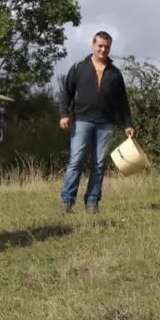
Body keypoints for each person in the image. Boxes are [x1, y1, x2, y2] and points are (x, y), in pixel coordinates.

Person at [58, 30, 135, 214]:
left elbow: (122, 102)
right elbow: (66, 92)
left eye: (106, 47)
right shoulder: (79, 67)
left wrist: (128, 124)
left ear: (110, 48)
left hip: (106, 124)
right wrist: (64, 114)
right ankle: (66, 202)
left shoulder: (115, 74)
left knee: (99, 164)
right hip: (82, 121)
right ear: (93, 45)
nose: (103, 50)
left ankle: (92, 203)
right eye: (100, 46)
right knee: (76, 161)